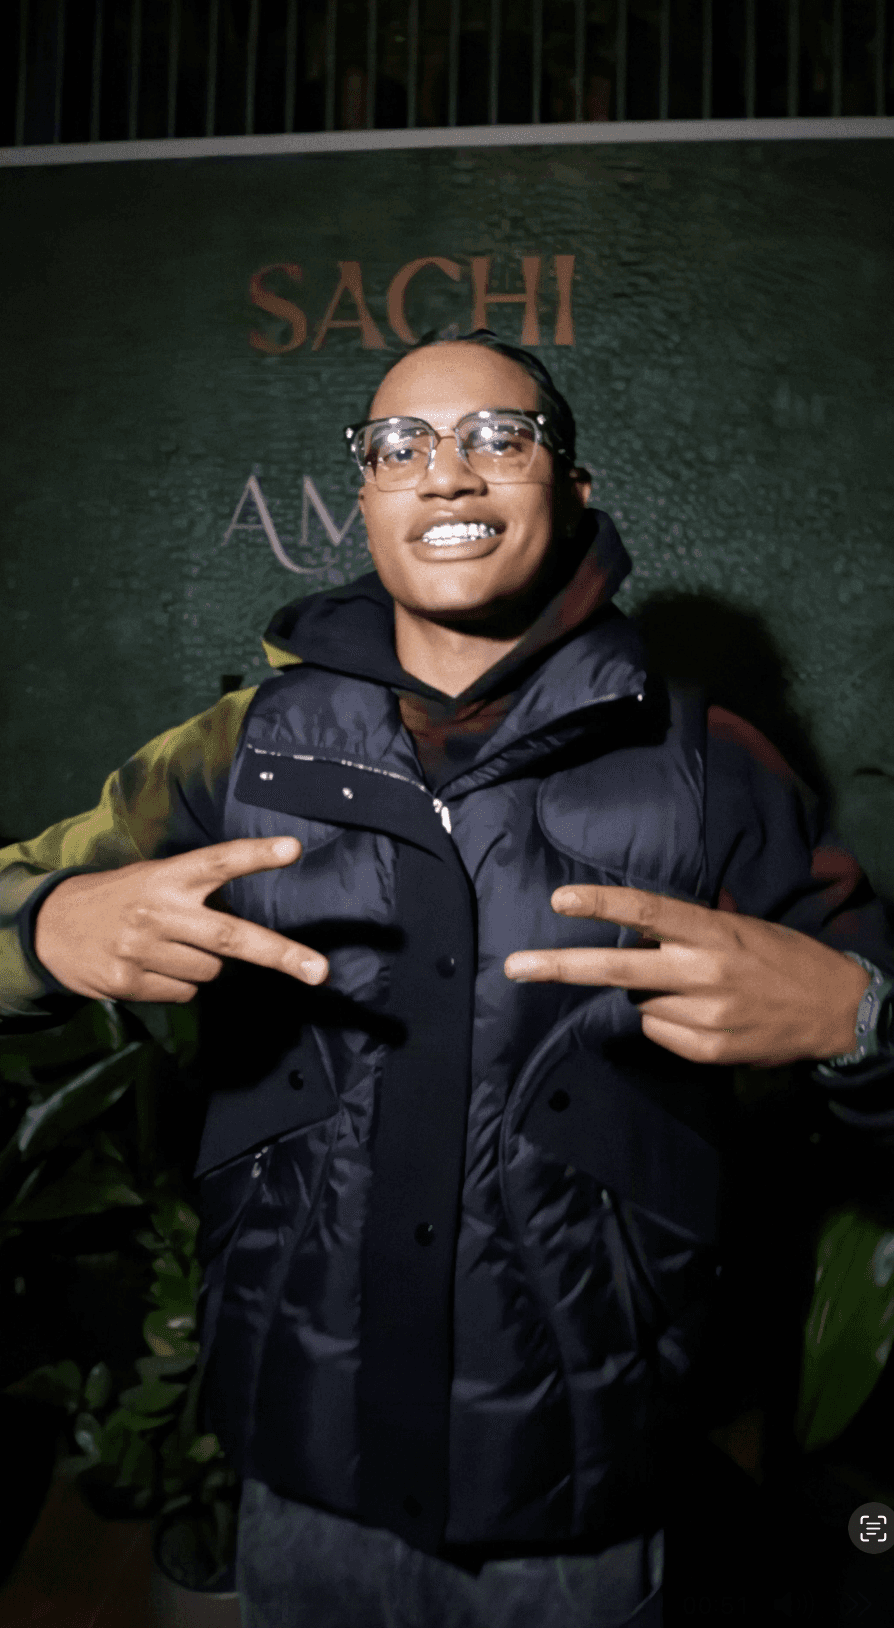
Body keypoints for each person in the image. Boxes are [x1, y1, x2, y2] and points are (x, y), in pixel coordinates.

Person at [2, 330, 893, 1627]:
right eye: (399, 445)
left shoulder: (712, 762)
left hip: (583, 1490)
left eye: (497, 439)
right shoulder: (236, 747)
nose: (445, 475)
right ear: (363, 494)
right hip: (302, 1466)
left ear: (571, 489)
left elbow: (866, 1025)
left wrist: (855, 1023)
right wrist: (50, 924)